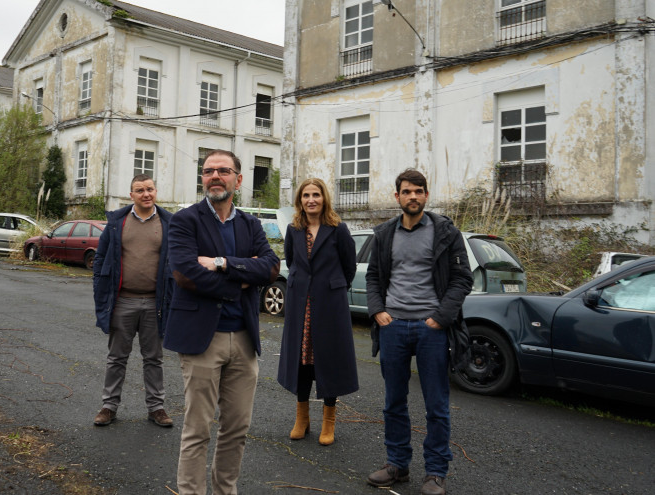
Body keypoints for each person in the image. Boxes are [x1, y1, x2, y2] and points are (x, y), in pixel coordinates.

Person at [164, 149, 280, 495]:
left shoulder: (250, 224)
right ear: (203, 178)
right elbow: (186, 275)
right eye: (208, 170)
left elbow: (271, 267)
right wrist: (243, 277)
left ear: (238, 180)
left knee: (237, 428)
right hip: (203, 338)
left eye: (223, 171)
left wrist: (222, 263)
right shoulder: (185, 220)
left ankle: (224, 491)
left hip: (244, 339)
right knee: (197, 429)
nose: (215, 176)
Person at [365, 169, 473, 495]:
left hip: (431, 330)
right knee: (393, 401)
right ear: (397, 196)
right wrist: (378, 311)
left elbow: (461, 279)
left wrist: (440, 318)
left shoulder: (445, 232)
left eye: (419, 191)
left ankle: (435, 472)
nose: (413, 196)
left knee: (436, 404)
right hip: (393, 327)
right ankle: (397, 464)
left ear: (426, 195)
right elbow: (373, 277)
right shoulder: (384, 234)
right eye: (407, 191)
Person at [278, 178, 359, 446]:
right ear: (299, 200)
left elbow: (349, 267)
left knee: (329, 360)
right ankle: (302, 419)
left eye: (316, 195)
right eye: (305, 195)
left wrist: (332, 288)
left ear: (324, 198)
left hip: (329, 305)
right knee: (302, 361)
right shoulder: (294, 229)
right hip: (301, 304)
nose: (311, 199)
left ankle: (328, 422)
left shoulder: (338, 230)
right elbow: (291, 261)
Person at [92, 174, 174, 428]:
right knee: (116, 357)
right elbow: (100, 259)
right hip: (123, 301)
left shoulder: (169, 222)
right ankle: (109, 406)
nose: (146, 194)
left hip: (155, 303)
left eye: (150, 189)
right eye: (140, 190)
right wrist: (100, 290)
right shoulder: (118, 222)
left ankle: (156, 408)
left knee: (154, 358)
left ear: (156, 191)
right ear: (131, 195)